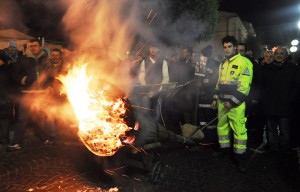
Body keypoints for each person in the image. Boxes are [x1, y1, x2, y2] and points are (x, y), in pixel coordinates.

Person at [211, 36, 253, 172]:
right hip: (222, 103)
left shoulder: (244, 62)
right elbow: (219, 83)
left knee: (239, 131)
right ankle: (224, 150)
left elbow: (244, 88)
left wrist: (231, 102)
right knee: (222, 128)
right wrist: (215, 98)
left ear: (235, 47)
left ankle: (240, 158)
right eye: (225, 47)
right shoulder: (223, 63)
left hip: (236, 105)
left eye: (229, 46)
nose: (227, 49)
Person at [8, 39, 53, 151]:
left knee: (40, 117)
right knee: (22, 119)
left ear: (40, 47)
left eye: (35, 45)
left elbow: (50, 75)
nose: (33, 48)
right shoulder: (23, 59)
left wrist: (49, 86)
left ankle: (44, 138)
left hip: (41, 94)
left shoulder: (45, 60)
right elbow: (13, 72)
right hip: (27, 94)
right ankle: (15, 143)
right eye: (31, 46)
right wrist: (21, 78)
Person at [261, 47, 300, 156]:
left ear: (286, 55)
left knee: (285, 130)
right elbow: (262, 86)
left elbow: (296, 86)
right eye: (277, 53)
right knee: (271, 129)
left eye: (281, 53)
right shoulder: (267, 68)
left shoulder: (293, 69)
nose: (278, 55)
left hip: (285, 105)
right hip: (270, 105)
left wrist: (290, 99)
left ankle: (284, 150)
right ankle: (273, 149)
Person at [0, 40, 22, 145]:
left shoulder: (18, 58)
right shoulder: (4, 57)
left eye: (13, 47)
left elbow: (15, 77)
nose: (11, 48)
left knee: (10, 116)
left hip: (11, 93)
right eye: (10, 47)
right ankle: (4, 137)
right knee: (5, 116)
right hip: (4, 94)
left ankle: (8, 137)